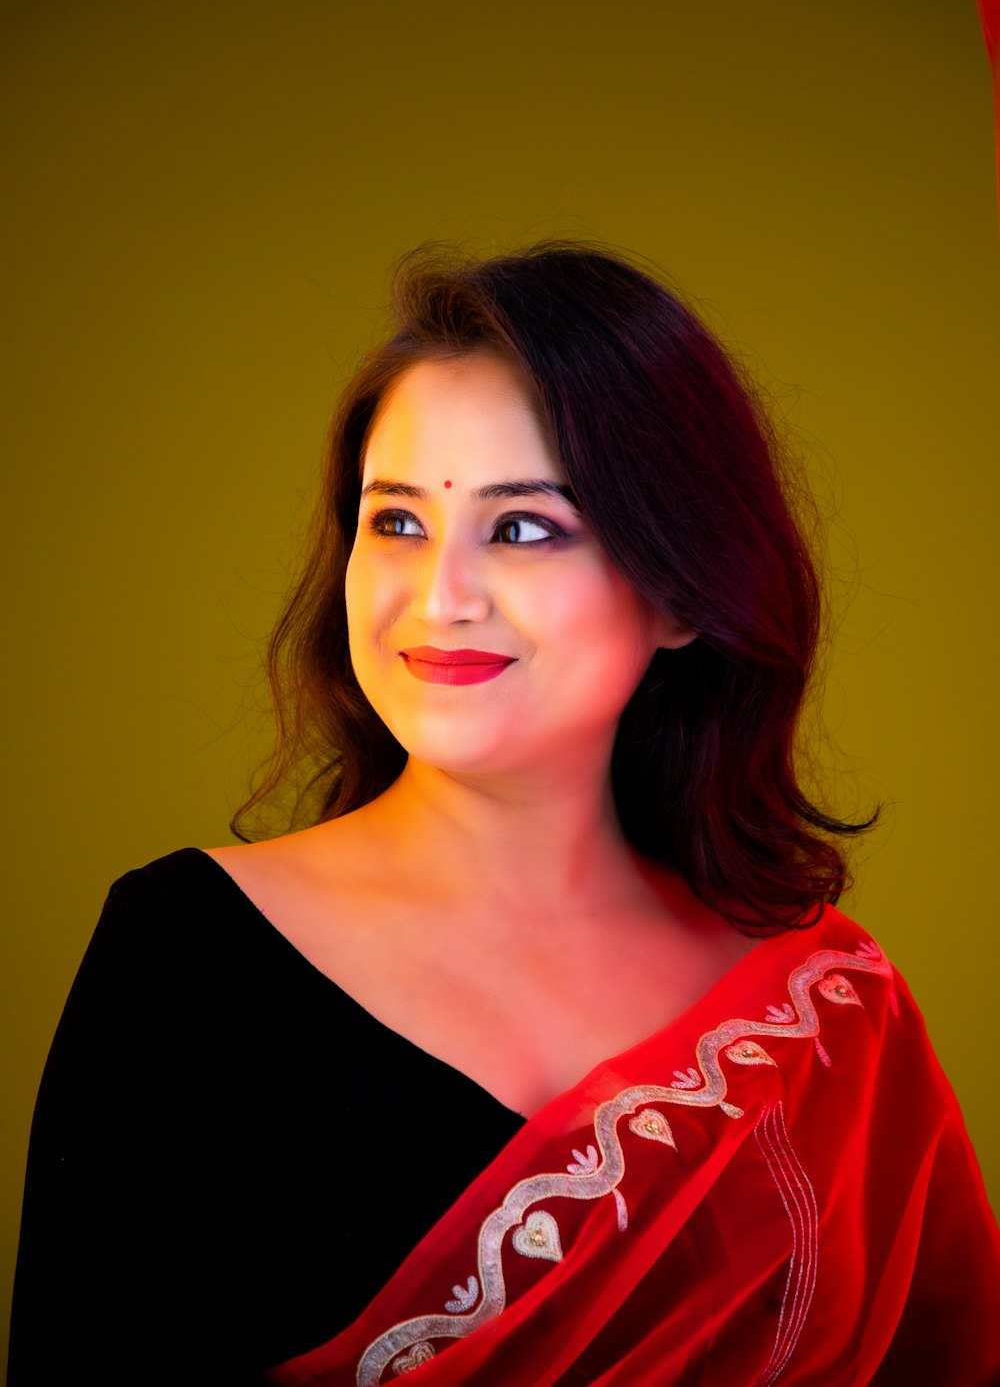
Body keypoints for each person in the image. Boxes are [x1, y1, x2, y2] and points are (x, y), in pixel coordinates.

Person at [9, 242, 999, 1386]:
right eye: (395, 523)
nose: (441, 597)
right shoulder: (185, 950)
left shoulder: (827, 1021)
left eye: (522, 527)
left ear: (680, 590)